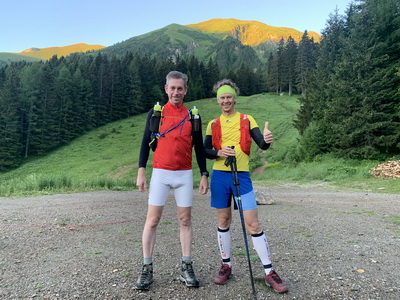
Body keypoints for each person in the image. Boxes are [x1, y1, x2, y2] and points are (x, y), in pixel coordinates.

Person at [203, 79, 288, 294]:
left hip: (242, 176)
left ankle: (269, 272)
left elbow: (262, 143)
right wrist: (219, 152)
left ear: (234, 98)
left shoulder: (247, 119)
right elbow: (204, 151)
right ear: (217, 100)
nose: (225, 100)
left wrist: (267, 140)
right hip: (220, 176)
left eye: (229, 96)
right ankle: (226, 265)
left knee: (253, 224)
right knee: (223, 220)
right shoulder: (213, 124)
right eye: (222, 97)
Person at [135, 71, 209, 290]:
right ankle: (146, 268)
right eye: (172, 88)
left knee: (185, 221)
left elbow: (198, 147)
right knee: (152, 220)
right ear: (165, 89)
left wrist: (204, 174)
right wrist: (141, 171)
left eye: (180, 88)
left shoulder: (193, 116)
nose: (176, 92)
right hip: (160, 173)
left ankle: (186, 267)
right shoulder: (156, 113)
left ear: (186, 90)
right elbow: (144, 143)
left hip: (184, 174)